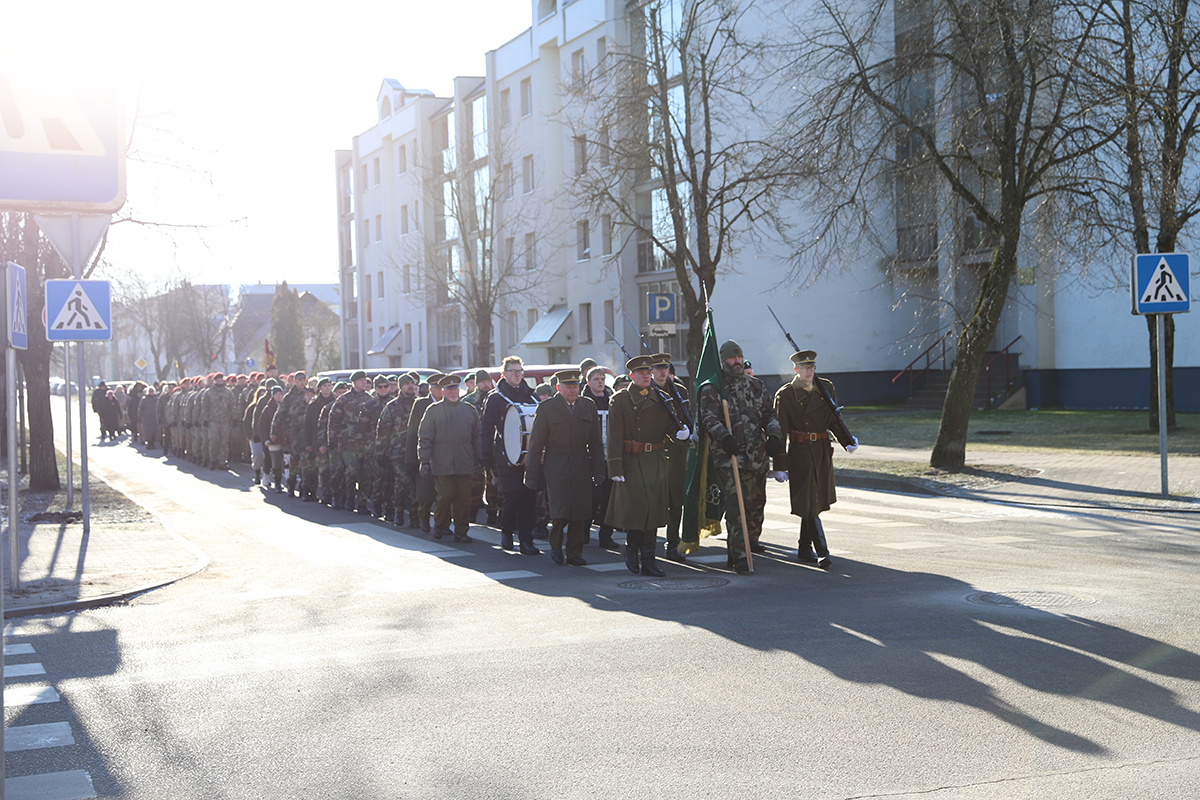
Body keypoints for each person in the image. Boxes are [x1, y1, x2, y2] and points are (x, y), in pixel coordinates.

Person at [697, 340, 783, 574]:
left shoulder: (755, 385)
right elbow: (709, 418)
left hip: (757, 457)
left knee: (755, 506)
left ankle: (739, 550)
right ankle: (741, 557)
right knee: (737, 509)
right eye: (732, 358)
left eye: (739, 357)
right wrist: (724, 437)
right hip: (730, 458)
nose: (737, 362)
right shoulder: (714, 388)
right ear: (723, 360)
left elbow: (770, 414)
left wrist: (774, 435)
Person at [774, 349, 858, 569]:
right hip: (801, 453)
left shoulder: (825, 387)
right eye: (804, 368)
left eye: (811, 368)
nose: (809, 372)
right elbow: (780, 432)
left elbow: (833, 419)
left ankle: (804, 547)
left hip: (821, 451)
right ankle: (823, 551)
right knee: (809, 499)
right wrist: (779, 465)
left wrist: (846, 440)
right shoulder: (786, 394)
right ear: (796, 370)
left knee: (813, 500)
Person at [605, 355, 687, 577]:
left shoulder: (661, 397)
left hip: (656, 461)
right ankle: (632, 552)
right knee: (637, 512)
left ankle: (649, 559)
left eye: (648, 373)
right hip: (632, 461)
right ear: (632, 376)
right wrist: (615, 468)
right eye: (641, 373)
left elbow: (670, 425)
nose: (646, 376)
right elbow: (613, 435)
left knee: (654, 512)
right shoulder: (621, 399)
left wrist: (680, 433)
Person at [523, 369, 605, 566]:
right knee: (560, 510)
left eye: (575, 386)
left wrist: (598, 469)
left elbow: (595, 441)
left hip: (581, 463)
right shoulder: (547, 408)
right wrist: (531, 475)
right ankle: (556, 547)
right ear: (558, 388)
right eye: (568, 387)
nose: (572, 390)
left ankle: (574, 552)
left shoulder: (588, 406)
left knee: (580, 510)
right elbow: (536, 444)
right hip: (556, 463)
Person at [480, 356, 540, 555]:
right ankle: (506, 531)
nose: (517, 374)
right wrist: (486, 456)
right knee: (512, 496)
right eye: (513, 371)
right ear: (504, 374)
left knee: (529, 498)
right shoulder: (496, 398)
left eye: (519, 371)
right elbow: (486, 429)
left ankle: (526, 540)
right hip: (506, 456)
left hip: (530, 457)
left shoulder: (531, 396)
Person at [417, 375, 480, 543]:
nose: (452, 393)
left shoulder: (469, 410)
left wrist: (479, 459)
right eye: (449, 390)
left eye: (455, 389)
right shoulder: (433, 410)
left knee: (463, 498)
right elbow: (425, 437)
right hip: (441, 462)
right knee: (444, 496)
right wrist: (424, 461)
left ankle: (461, 531)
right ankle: (440, 524)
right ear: (443, 391)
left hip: (464, 462)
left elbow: (477, 437)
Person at [651, 353, 693, 561]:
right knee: (652, 502)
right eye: (658, 368)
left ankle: (673, 544)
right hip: (655, 452)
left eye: (665, 367)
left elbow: (687, 416)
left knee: (676, 501)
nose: (662, 372)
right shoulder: (646, 391)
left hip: (676, 452)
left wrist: (689, 431)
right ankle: (645, 547)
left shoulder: (680, 390)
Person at [581, 365, 620, 550]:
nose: (600, 382)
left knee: (609, 498)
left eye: (603, 379)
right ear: (589, 382)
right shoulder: (582, 402)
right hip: (589, 457)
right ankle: (583, 532)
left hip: (609, 456)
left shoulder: (611, 400)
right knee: (592, 497)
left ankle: (606, 535)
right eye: (596, 379)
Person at [375, 373, 420, 526]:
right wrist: (380, 453)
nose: (410, 386)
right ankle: (398, 512)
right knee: (401, 483)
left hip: (417, 451)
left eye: (412, 384)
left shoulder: (419, 405)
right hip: (398, 452)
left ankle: (415, 516)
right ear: (401, 387)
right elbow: (383, 432)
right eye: (407, 384)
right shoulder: (392, 406)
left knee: (416, 484)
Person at [328, 370, 375, 511]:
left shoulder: (370, 399)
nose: (364, 382)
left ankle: (362, 503)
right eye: (361, 380)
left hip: (366, 442)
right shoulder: (343, 399)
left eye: (365, 380)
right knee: (351, 471)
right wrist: (331, 439)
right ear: (354, 382)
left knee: (366, 473)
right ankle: (349, 499)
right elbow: (334, 420)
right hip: (348, 442)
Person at [404, 373, 445, 531]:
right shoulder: (421, 405)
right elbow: (412, 433)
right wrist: (411, 460)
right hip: (425, 455)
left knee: (444, 493)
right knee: (425, 492)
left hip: (445, 455)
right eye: (437, 387)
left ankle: (443, 523)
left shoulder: (451, 403)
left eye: (442, 387)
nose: (440, 390)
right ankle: (424, 519)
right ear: (430, 389)